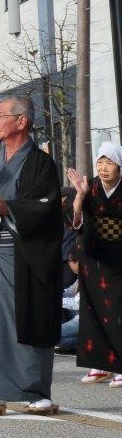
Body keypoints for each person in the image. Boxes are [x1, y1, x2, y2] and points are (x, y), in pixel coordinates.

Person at [0, 95, 63, 416]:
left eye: (0, 115)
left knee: (29, 320)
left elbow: (46, 208)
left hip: (28, 255)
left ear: (21, 121)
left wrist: (9, 206)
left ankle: (35, 392)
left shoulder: (41, 163)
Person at [67, 141, 122, 388]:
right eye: (100, 162)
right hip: (92, 259)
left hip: (118, 259)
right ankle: (101, 365)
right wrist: (79, 195)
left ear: (119, 167)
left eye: (109, 163)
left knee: (116, 314)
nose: (103, 167)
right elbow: (76, 221)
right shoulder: (90, 189)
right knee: (92, 313)